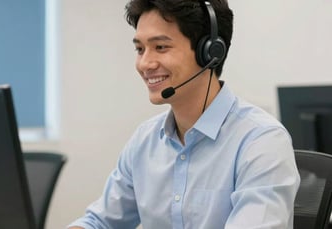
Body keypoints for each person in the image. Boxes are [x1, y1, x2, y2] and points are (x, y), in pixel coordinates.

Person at [68, 0, 300, 228]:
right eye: (140, 49)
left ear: (210, 52)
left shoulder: (261, 141)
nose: (145, 63)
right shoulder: (144, 141)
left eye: (160, 47)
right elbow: (99, 221)